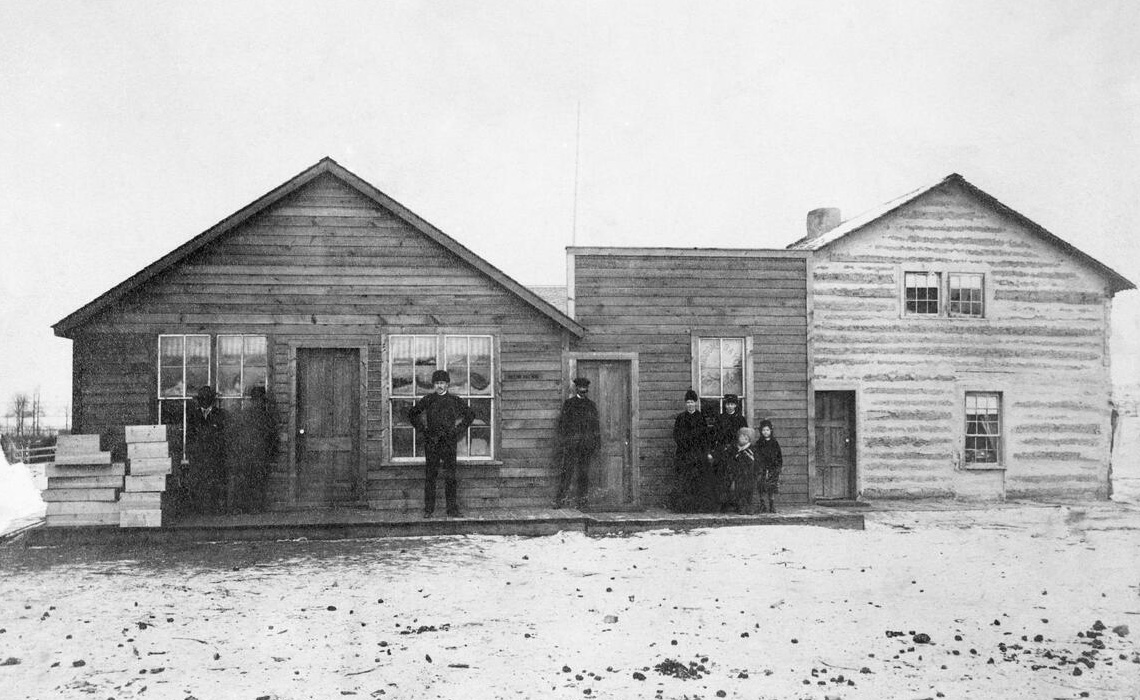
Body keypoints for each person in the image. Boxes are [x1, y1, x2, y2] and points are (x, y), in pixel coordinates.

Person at [407, 370, 474, 518]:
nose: (440, 386)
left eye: (442, 383)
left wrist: (458, 430)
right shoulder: (428, 399)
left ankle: (452, 510)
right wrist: (423, 430)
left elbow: (470, 415)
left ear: (447, 384)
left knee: (450, 477)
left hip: (449, 443)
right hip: (432, 442)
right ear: (433, 384)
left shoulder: (454, 400)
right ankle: (428, 510)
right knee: (430, 476)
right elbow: (412, 413)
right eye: (437, 383)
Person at [227, 386, 277, 514]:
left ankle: (254, 508)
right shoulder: (245, 416)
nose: (259, 403)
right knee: (248, 482)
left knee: (257, 483)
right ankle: (246, 508)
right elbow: (235, 435)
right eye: (257, 400)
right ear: (253, 401)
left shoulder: (266, 417)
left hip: (258, 455)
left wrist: (271, 454)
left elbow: (272, 437)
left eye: (261, 400)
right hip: (247, 455)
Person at [554, 377, 601, 509]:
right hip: (571, 446)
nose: (583, 392)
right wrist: (565, 442)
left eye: (585, 390)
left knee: (583, 474)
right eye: (581, 390)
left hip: (585, 447)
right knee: (566, 473)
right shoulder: (569, 404)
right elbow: (562, 425)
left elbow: (595, 427)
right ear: (576, 389)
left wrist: (595, 444)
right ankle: (560, 500)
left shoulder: (591, 406)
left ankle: (582, 501)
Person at [185, 385, 228, 515]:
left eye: (207, 398)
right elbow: (189, 438)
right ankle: (200, 513)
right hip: (198, 458)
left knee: (214, 487)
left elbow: (224, 438)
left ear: (212, 400)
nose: (204, 401)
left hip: (215, 459)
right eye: (201, 399)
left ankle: (213, 513)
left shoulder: (221, 415)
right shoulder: (192, 416)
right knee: (199, 487)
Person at [670, 389, 709, 513]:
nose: (690, 404)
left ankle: (696, 507)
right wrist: (685, 444)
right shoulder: (681, 418)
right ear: (685, 404)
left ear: (696, 403)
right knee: (684, 480)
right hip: (684, 453)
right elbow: (676, 435)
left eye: (692, 402)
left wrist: (699, 449)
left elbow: (704, 436)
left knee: (697, 479)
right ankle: (683, 507)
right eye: (688, 402)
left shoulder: (701, 417)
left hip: (697, 454)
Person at [714, 426, 757, 514]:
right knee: (733, 487)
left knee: (746, 489)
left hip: (747, 475)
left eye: (746, 437)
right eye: (741, 436)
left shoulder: (751, 450)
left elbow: (753, 463)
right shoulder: (733, 448)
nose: (743, 439)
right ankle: (734, 505)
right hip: (734, 474)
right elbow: (727, 458)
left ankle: (746, 506)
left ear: (749, 439)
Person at [755, 419, 783, 513]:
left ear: (771, 430)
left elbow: (779, 456)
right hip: (762, 468)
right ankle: (762, 505)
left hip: (773, 468)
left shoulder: (774, 443)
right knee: (761, 486)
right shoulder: (759, 443)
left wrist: (778, 467)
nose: (765, 432)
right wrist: (759, 466)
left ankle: (771, 505)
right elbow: (756, 456)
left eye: (767, 430)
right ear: (761, 431)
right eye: (763, 430)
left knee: (772, 487)